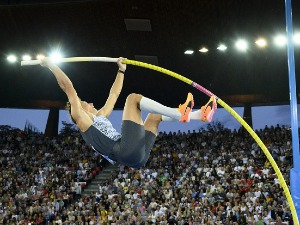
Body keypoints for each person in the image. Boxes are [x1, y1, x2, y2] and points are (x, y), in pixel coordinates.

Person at [40, 57, 217, 168]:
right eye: (85, 103)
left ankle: (198, 115)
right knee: (133, 99)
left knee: (154, 117)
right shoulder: (82, 120)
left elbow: (114, 93)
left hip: (137, 158)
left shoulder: (99, 117)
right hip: (124, 151)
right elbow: (68, 87)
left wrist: (121, 70)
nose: (91, 102)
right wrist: (50, 65)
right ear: (77, 109)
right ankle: (181, 114)